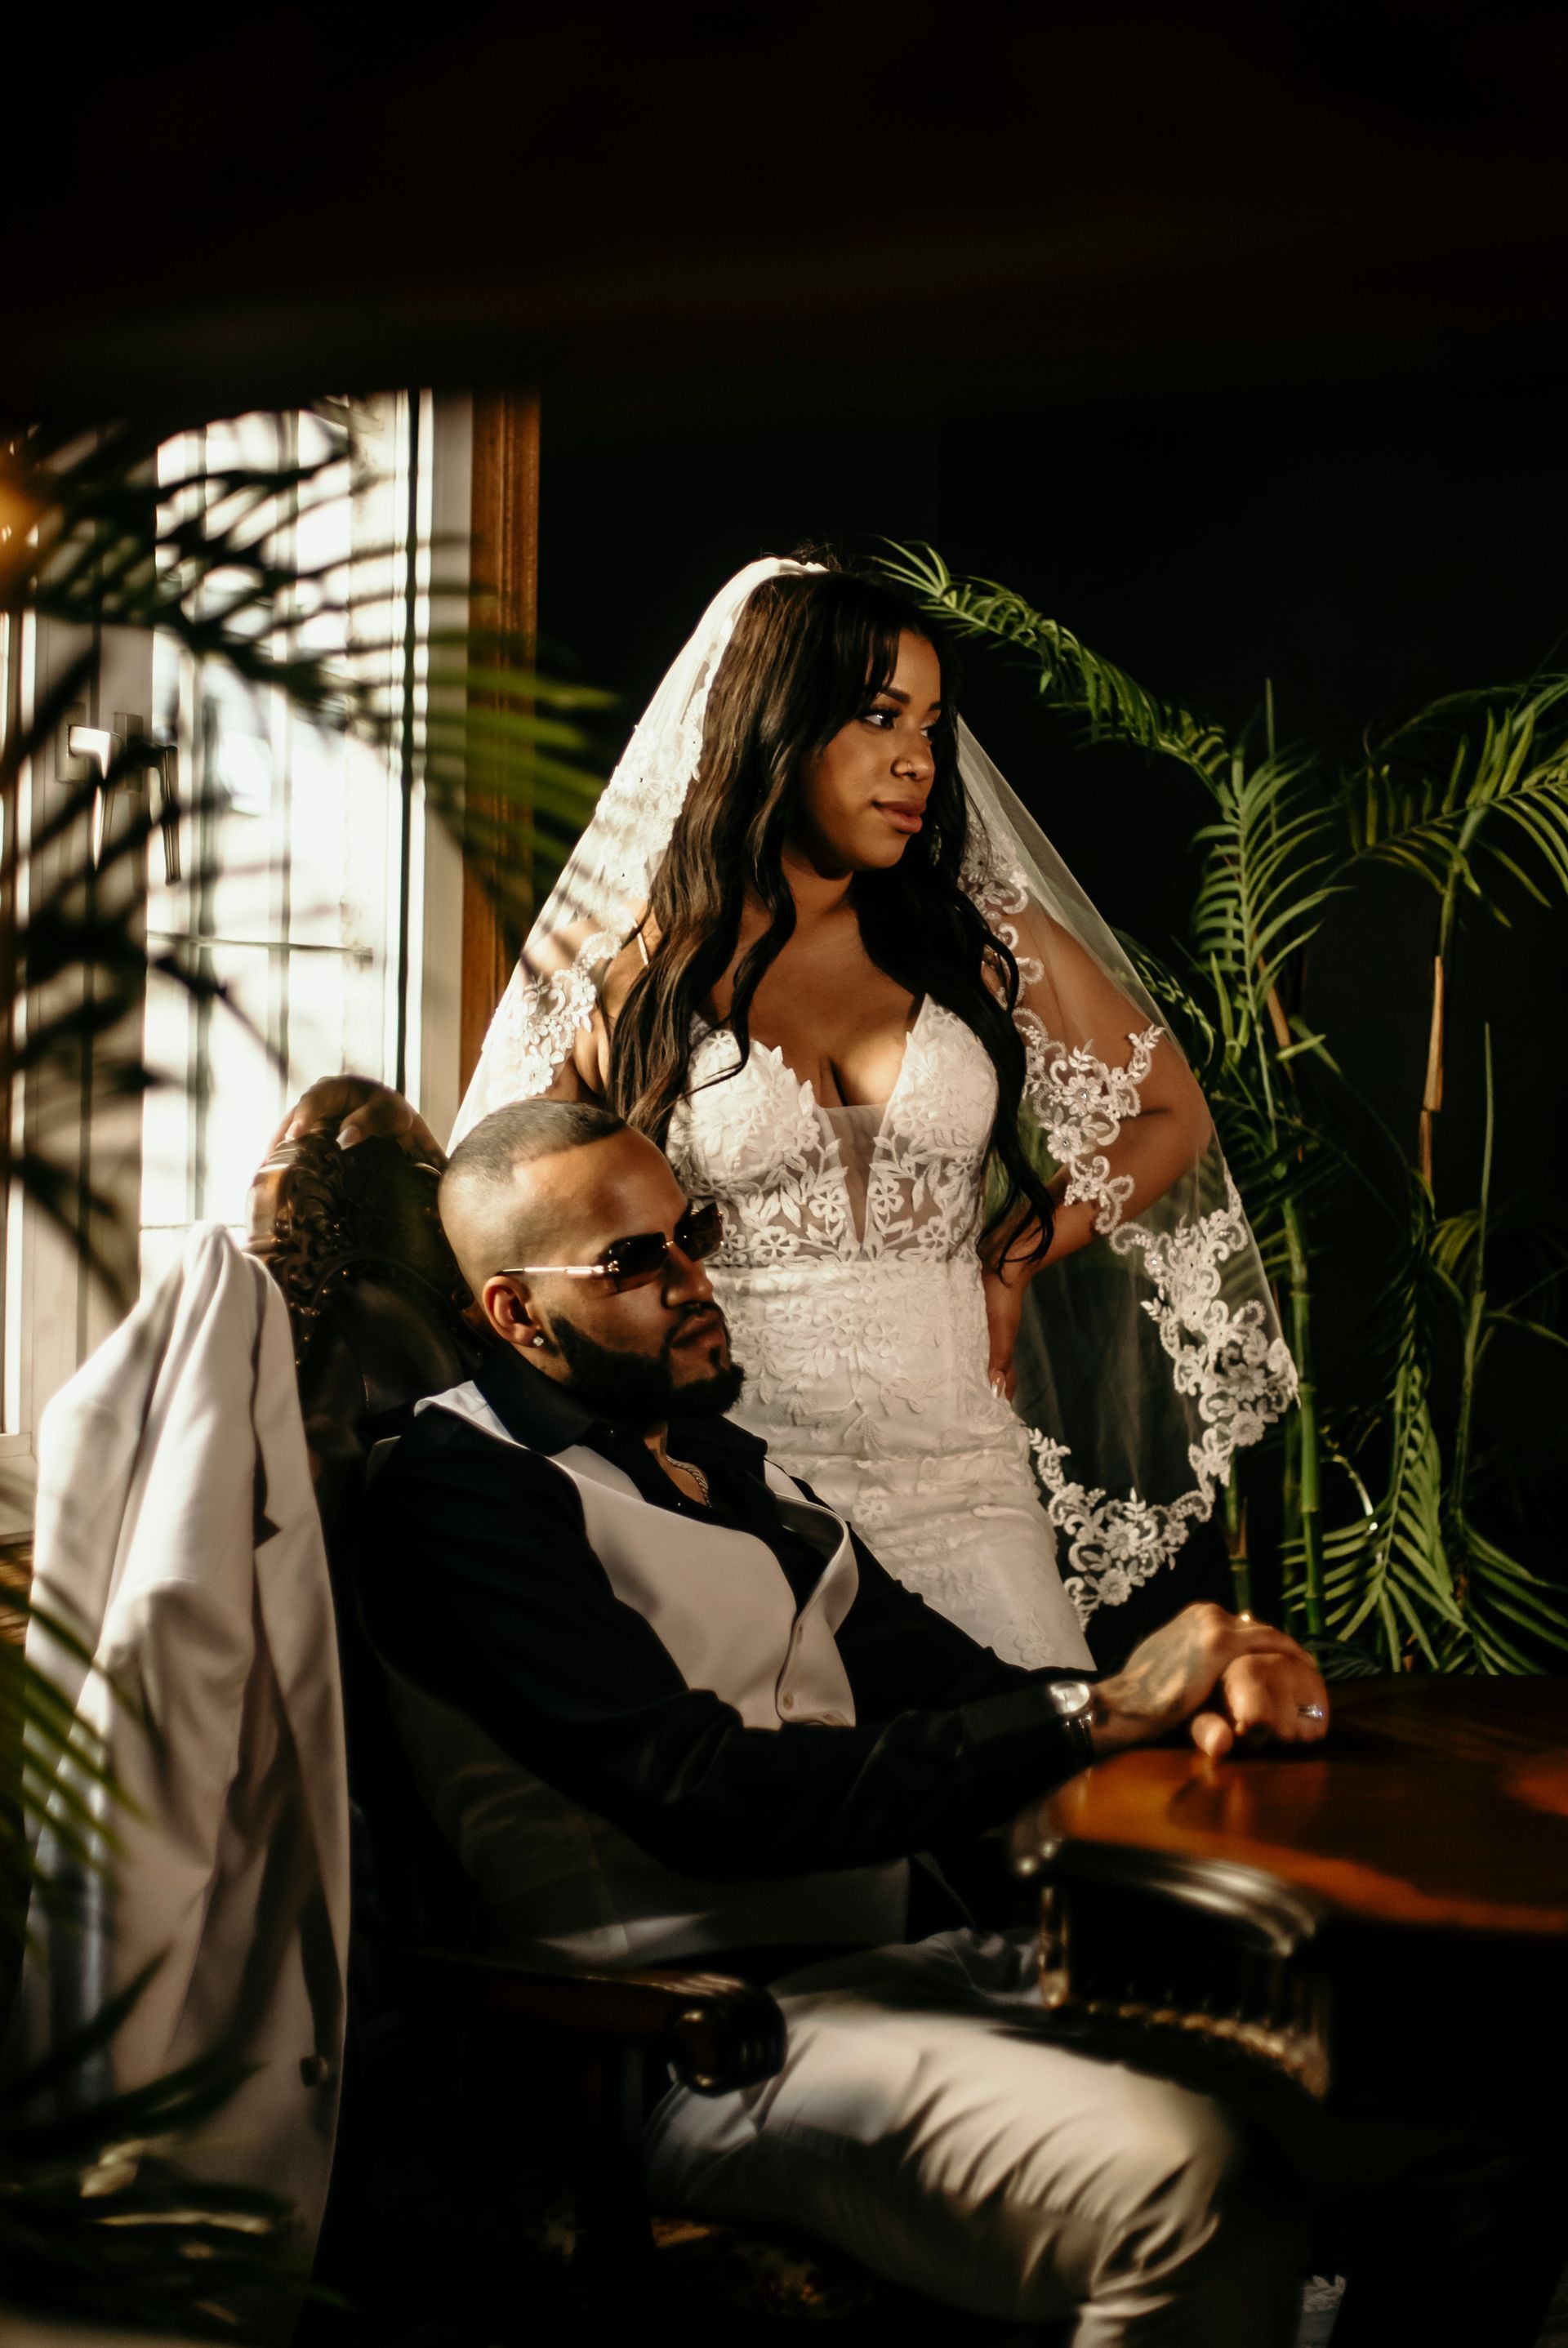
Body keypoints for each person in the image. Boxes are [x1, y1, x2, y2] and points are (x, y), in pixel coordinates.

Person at [359, 1097, 1328, 2345]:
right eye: (633, 1259)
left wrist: (1187, 1705)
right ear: (514, 1312)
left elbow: (964, 1688)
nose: (693, 1277)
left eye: (689, 1230)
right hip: (687, 2045)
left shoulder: (728, 1463)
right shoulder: (461, 1499)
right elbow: (703, 1795)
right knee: (1192, 2189)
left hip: (912, 1972)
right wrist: (1104, 1712)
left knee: (1404, 2089)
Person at [292, 555, 1297, 1667]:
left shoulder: (974, 936)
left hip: (968, 1484)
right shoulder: (617, 972)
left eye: (931, 722)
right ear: (776, 723)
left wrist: (1017, 1252)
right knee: (821, 1809)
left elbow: (1169, 1113)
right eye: (878, 718)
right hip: (735, 1492)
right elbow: (502, 1221)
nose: (920, 759)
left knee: (1038, 1786)